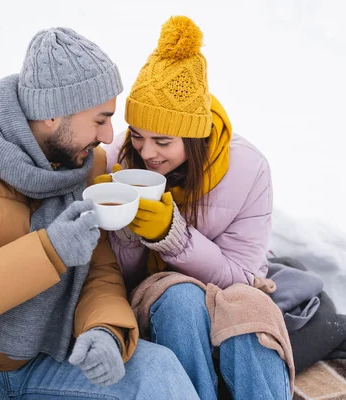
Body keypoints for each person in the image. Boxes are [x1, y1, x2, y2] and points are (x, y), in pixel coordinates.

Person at [0, 26, 198, 399]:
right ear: (52, 115)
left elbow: (97, 268)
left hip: (45, 353)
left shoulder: (84, 162)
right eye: (100, 119)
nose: (109, 137)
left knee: (157, 372)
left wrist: (105, 330)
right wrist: (48, 252)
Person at [98, 16, 291, 400]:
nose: (146, 152)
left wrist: (173, 238)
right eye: (138, 135)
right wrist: (124, 228)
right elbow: (110, 280)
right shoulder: (116, 161)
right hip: (155, 299)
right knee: (179, 297)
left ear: (195, 135)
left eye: (163, 141)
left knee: (250, 308)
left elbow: (246, 275)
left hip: (232, 287)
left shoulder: (248, 169)